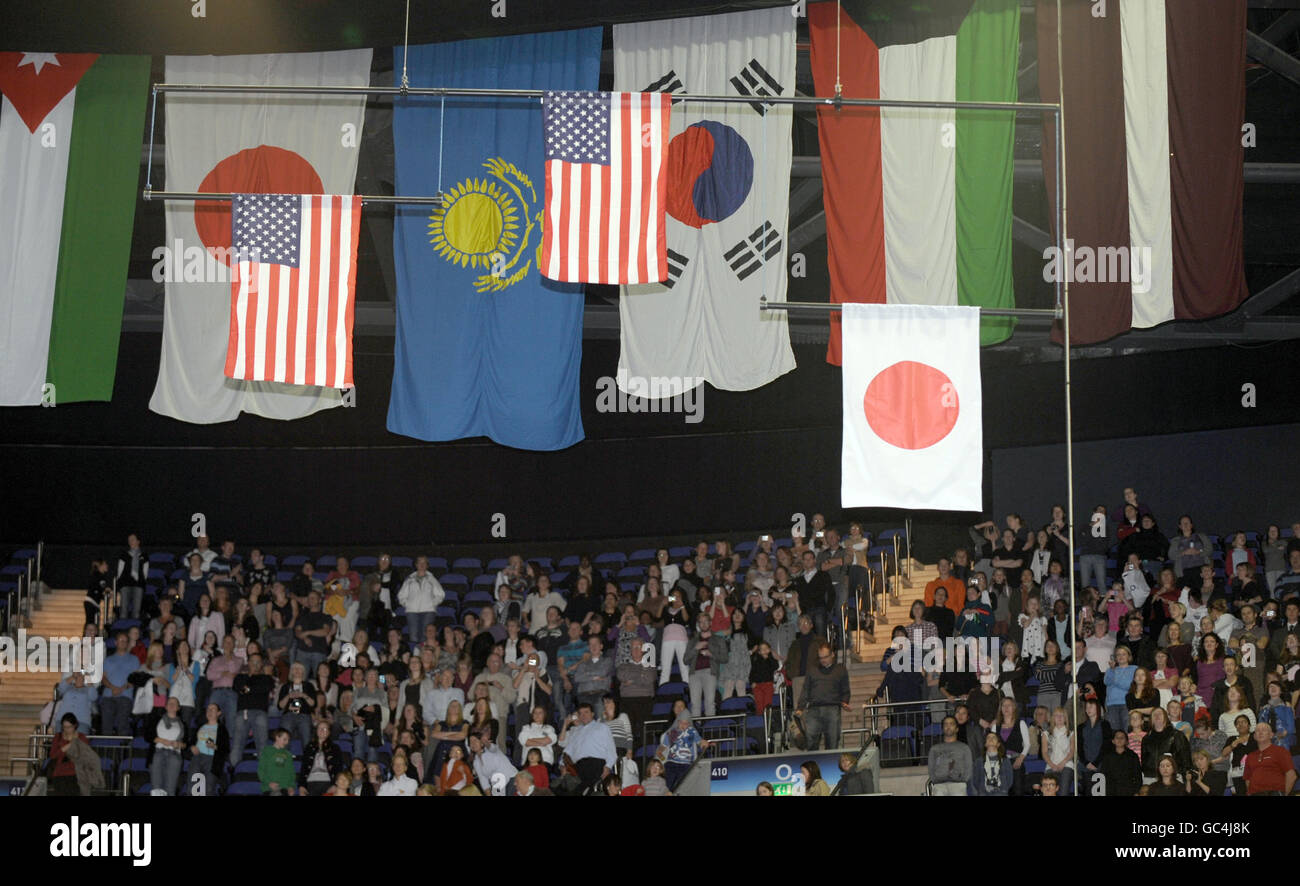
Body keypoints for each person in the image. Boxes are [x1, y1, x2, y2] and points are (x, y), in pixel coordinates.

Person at [797, 641, 850, 751]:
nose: (823, 660)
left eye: (825, 657)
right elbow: (806, 690)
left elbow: (845, 690)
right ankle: (812, 766)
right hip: (813, 709)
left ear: (832, 655)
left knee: (832, 741)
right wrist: (800, 707)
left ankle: (829, 766)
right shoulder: (812, 670)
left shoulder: (840, 670)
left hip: (832, 709)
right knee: (811, 741)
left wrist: (845, 701)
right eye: (820, 658)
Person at [559, 702, 617, 794]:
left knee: (585, 789)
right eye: (580, 713)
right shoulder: (576, 731)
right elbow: (567, 751)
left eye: (586, 712)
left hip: (596, 765)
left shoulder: (602, 727)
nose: (583, 715)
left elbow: (611, 750)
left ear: (592, 714)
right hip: (578, 767)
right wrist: (562, 765)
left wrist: (607, 767)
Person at [684, 610, 728, 718]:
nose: (703, 624)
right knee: (695, 704)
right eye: (701, 622)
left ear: (710, 623)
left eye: (705, 621)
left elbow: (725, 658)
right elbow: (685, 660)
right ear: (698, 624)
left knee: (710, 703)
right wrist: (696, 648)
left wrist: (711, 654)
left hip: (710, 671)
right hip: (694, 673)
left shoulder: (718, 639)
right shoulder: (693, 640)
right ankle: (696, 729)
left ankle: (710, 729)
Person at [1242, 720, 1296, 795]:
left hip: (1274, 792)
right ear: (1254, 736)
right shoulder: (1250, 756)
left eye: (1264, 730)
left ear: (1271, 735)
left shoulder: (1280, 751)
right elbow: (1247, 779)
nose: (1260, 733)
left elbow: (1291, 775)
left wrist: (1284, 794)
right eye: (1257, 731)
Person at [1141, 707, 1191, 780]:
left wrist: (1185, 777)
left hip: (1173, 777)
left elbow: (1186, 759)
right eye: (1154, 714)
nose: (1157, 716)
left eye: (1160, 714)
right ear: (1151, 720)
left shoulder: (1177, 735)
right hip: (1151, 777)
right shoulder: (1146, 739)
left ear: (1166, 717)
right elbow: (1144, 761)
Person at [928, 716, 973, 796]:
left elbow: (969, 768)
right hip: (939, 785)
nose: (948, 726)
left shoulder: (964, 748)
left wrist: (961, 780)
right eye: (946, 724)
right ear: (942, 729)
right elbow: (931, 769)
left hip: (958, 785)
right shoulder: (934, 749)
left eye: (951, 724)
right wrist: (937, 780)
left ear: (957, 729)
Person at [1097, 728, 1143, 796]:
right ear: (1113, 741)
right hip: (1111, 791)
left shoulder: (1132, 756)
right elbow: (1102, 775)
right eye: (1117, 737)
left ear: (1126, 741)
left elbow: (1138, 776)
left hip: (1128, 791)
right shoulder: (1107, 757)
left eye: (1122, 738)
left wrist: (1136, 792)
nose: (1119, 739)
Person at [1042, 706, 1076, 795]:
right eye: (1057, 715)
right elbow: (1044, 753)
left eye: (1062, 715)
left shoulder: (1071, 733)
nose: (1059, 718)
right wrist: (1052, 765)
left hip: (1067, 765)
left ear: (1065, 718)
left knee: (1063, 792)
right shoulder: (1046, 734)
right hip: (1050, 765)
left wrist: (1062, 763)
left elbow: (1072, 751)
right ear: (1053, 718)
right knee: (1049, 793)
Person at [1103, 645, 1137, 731]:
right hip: (1111, 704)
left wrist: (1115, 679)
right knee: (1114, 732)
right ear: (1115, 657)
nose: (1121, 657)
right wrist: (1112, 670)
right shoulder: (1110, 669)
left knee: (1126, 731)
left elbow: (1128, 686)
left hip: (1126, 703)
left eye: (1124, 654)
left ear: (1129, 656)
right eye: (1118, 654)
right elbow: (1106, 682)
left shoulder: (1134, 669)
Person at [257, 728, 295, 796]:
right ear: (277, 737)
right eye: (285, 739)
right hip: (268, 788)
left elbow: (291, 772)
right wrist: (269, 783)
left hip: (284, 788)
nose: (287, 742)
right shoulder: (267, 751)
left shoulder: (288, 755)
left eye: (288, 740)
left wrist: (291, 786)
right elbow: (261, 770)